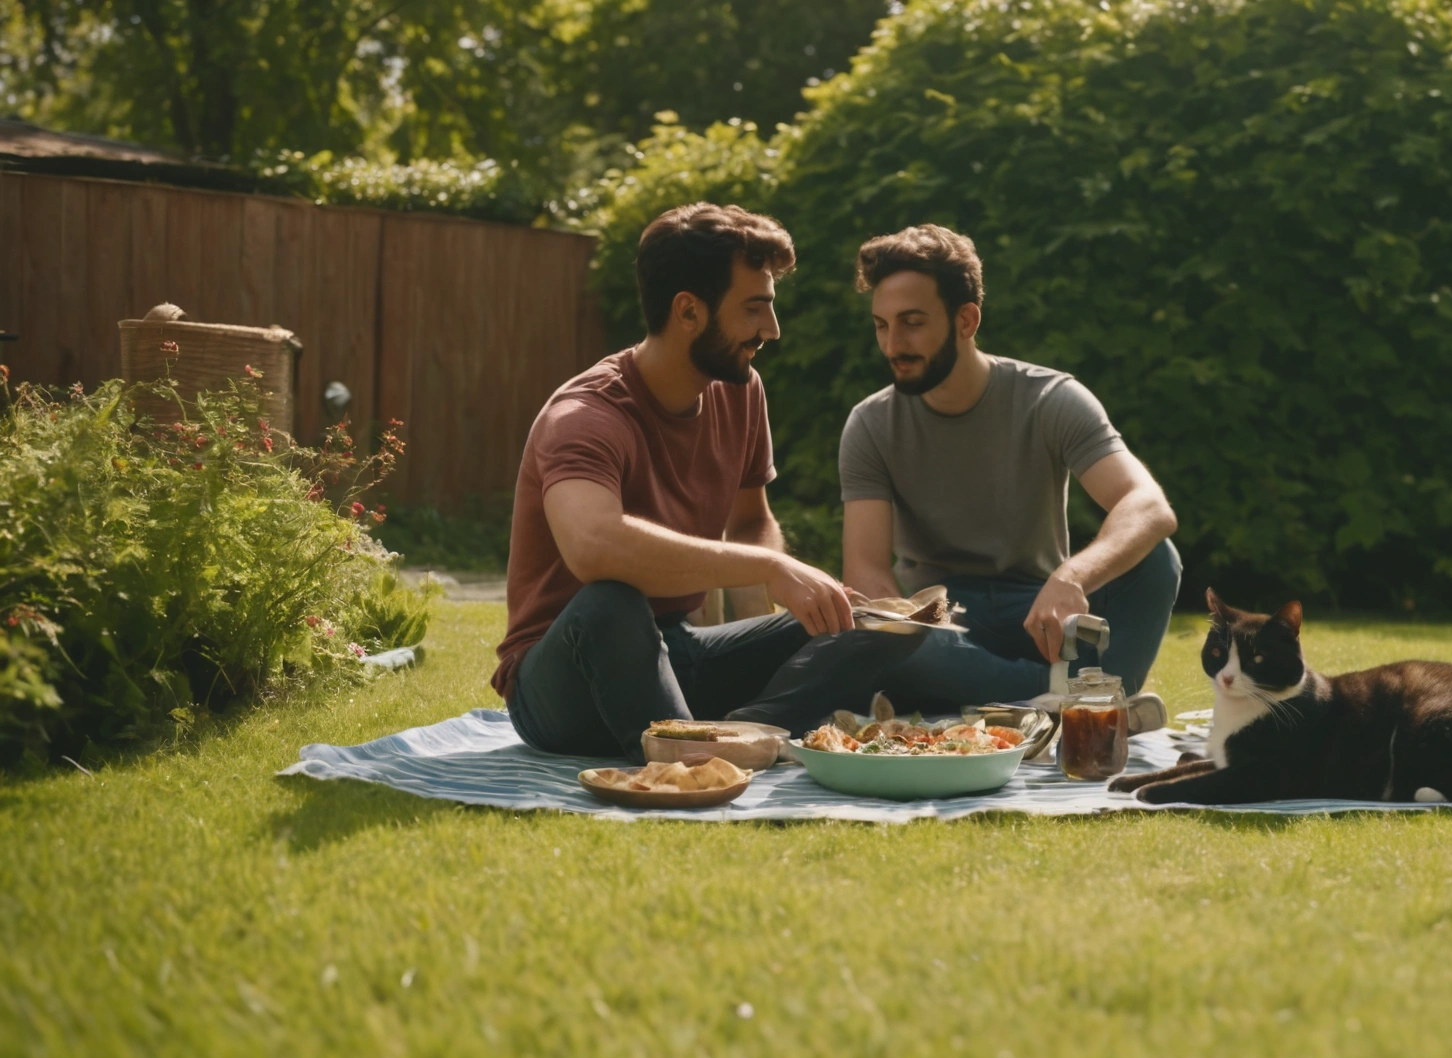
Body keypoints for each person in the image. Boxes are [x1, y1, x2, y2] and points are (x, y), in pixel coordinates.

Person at [493, 202, 923, 759]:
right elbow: (593, 548)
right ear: (688, 311)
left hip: (676, 651)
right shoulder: (585, 415)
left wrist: (786, 618)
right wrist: (770, 567)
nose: (772, 329)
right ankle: (691, 755)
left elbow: (751, 521)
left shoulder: (741, 391)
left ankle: (740, 736)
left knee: (872, 622)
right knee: (611, 603)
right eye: (754, 309)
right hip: (566, 677)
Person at [839, 224, 1180, 723]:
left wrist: (1073, 575)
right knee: (882, 636)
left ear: (966, 320)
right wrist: (902, 625)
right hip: (944, 624)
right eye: (881, 325)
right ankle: (1085, 705)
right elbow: (865, 570)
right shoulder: (870, 423)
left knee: (1157, 559)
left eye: (912, 322)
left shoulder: (1051, 399)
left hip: (1043, 615)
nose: (893, 344)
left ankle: (1008, 702)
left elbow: (1148, 505)